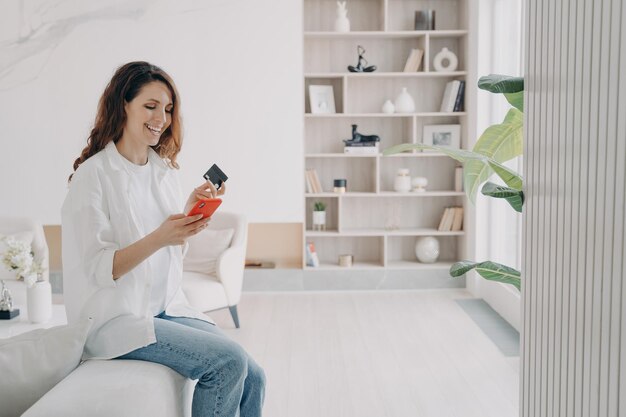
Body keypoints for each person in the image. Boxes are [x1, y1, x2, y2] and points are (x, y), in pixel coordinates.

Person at [61, 61, 265, 417]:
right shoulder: (93, 177)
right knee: (228, 363)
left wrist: (187, 214)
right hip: (116, 320)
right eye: (150, 106)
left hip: (164, 308)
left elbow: (170, 253)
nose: (162, 118)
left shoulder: (163, 170)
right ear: (123, 104)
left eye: (168, 109)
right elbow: (99, 268)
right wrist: (159, 237)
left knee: (256, 376)